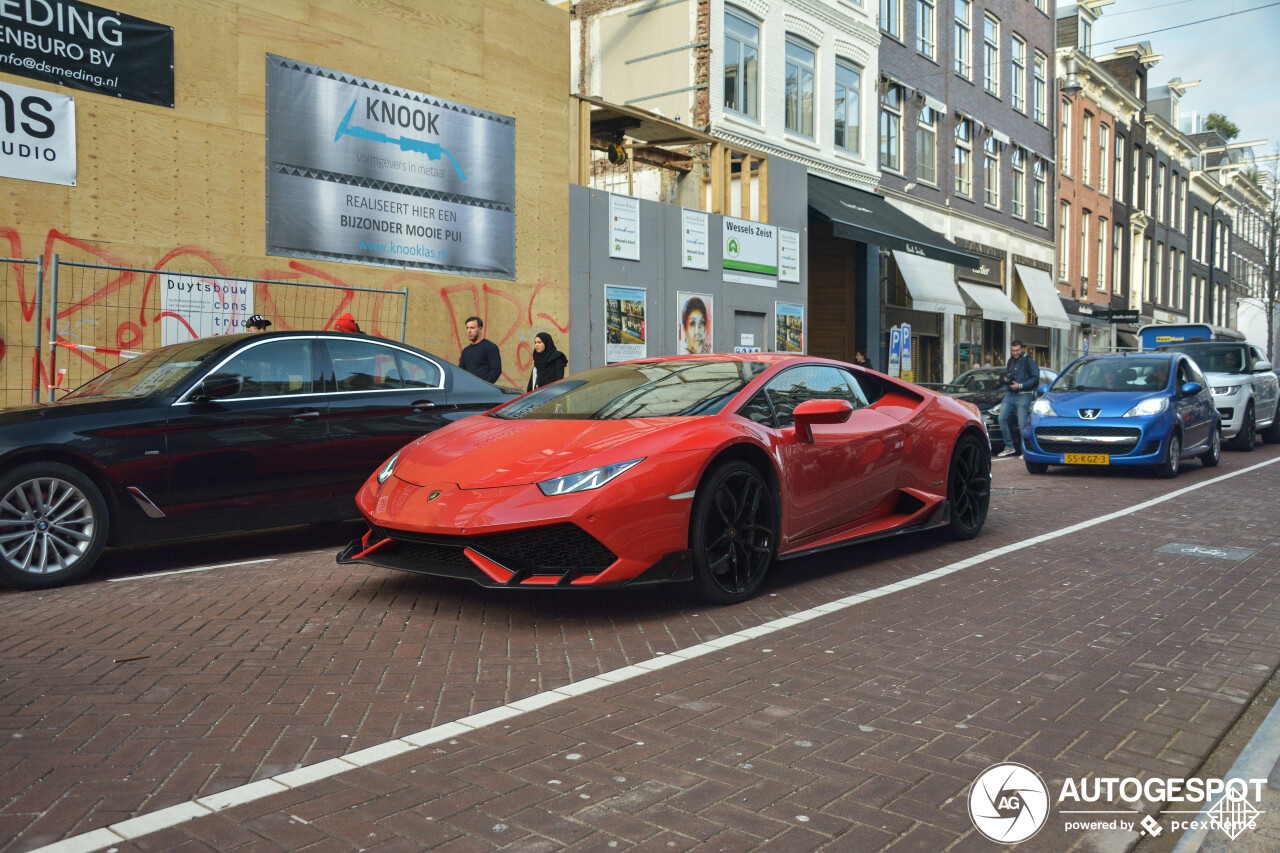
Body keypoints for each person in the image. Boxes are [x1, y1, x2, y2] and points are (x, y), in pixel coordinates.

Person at [996, 340, 1040, 458]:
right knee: (1001, 418)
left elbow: (1035, 378)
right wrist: (1006, 379)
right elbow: (1007, 374)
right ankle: (1009, 446)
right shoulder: (1011, 360)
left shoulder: (1029, 361)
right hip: (1010, 394)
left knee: (1022, 424)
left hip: (1024, 394)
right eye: (1013, 350)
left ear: (1022, 349)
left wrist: (1020, 385)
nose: (1015, 353)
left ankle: (1025, 450)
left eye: (1017, 350)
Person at [459, 315, 502, 383]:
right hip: (468, 390)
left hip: (483, 390)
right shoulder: (466, 351)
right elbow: (461, 372)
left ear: (480, 329)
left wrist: (485, 385)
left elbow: (496, 370)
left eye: (472, 328)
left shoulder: (490, 347)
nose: (469, 331)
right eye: (467, 328)